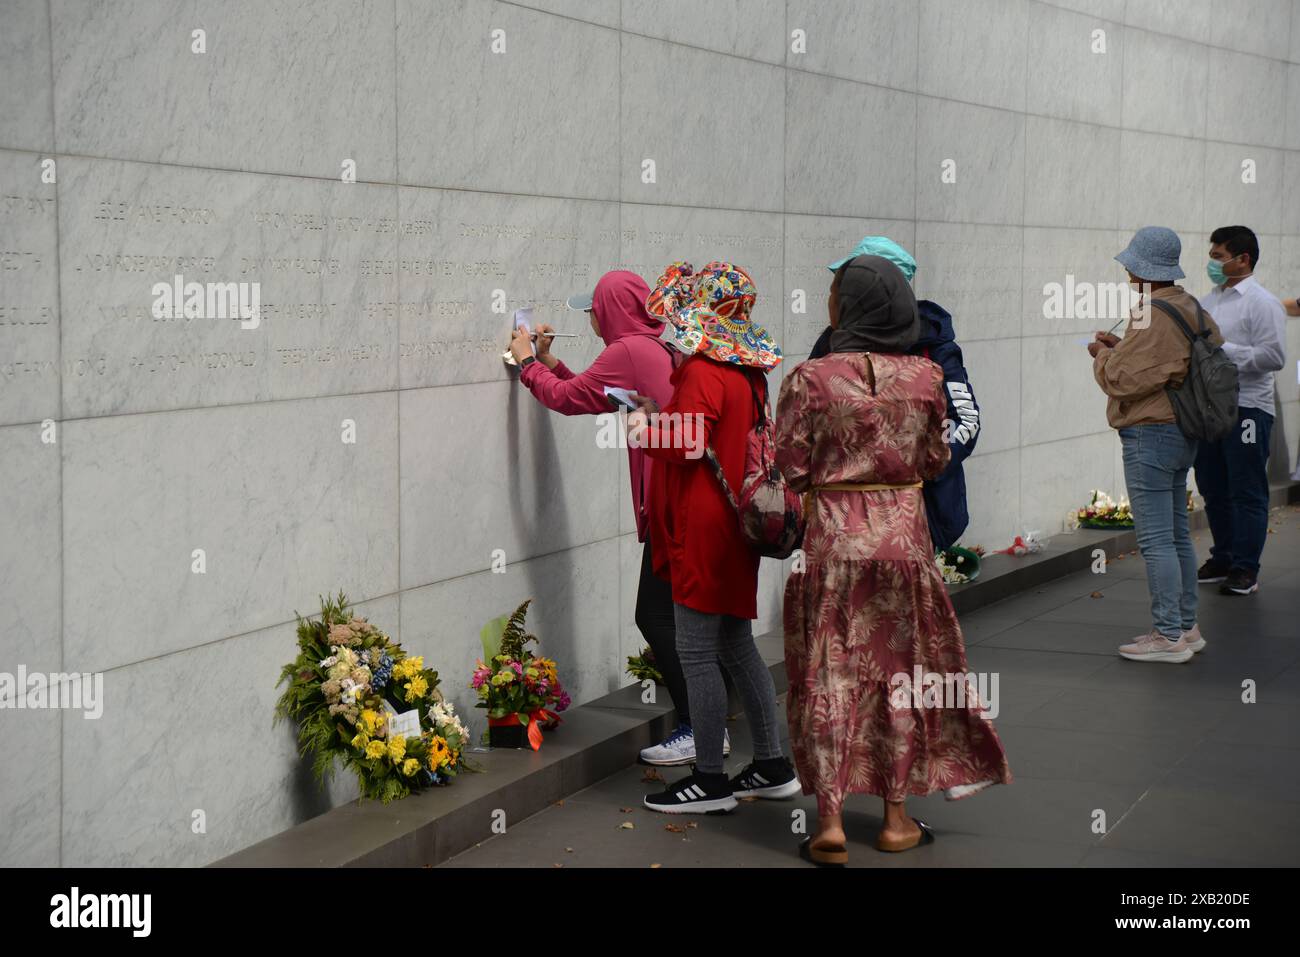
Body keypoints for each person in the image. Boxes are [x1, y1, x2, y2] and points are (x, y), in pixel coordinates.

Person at [775, 254, 1011, 866]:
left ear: (847, 307)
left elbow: (791, 468)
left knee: (827, 676)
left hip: (831, 546)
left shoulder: (810, 379)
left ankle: (828, 823)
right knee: (901, 674)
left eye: (834, 293)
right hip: (904, 544)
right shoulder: (926, 378)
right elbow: (936, 459)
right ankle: (896, 819)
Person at [509, 270, 723, 766]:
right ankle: (706, 728)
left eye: (593, 310)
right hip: (686, 505)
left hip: (674, 509)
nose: (590, 318)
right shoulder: (656, 347)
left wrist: (525, 364)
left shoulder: (625, 350)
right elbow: (598, 395)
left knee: (654, 615)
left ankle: (698, 730)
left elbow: (568, 400)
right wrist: (548, 362)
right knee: (681, 620)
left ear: (613, 309)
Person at [627, 261, 800, 814]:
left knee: (697, 653)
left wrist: (641, 427)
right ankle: (771, 764)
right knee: (736, 644)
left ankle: (709, 779)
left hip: (703, 527)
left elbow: (687, 443)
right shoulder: (750, 371)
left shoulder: (704, 367)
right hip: (736, 527)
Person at [1089, 227, 1223, 663]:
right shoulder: (1188, 304)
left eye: (1131, 264)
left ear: (1143, 269)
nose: (1127, 271)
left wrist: (1103, 354)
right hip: (1183, 431)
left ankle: (1167, 637)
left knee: (1155, 540)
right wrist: (1122, 347)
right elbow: (1170, 362)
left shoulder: (1153, 312)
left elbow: (1121, 380)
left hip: (1151, 432)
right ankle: (1186, 627)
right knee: (1178, 535)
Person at [808, 237, 979, 551]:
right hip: (842, 526)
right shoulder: (828, 348)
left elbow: (966, 423)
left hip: (919, 518)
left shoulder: (934, 352)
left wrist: (914, 466)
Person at [1192, 226, 1286, 596]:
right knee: (1213, 487)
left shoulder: (1263, 303)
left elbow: (1274, 357)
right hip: (1210, 410)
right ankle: (1224, 556)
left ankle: (1246, 568)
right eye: (1213, 255)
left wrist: (1223, 349)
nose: (1213, 263)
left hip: (1248, 410)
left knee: (1246, 490)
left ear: (1243, 259)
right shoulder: (1206, 302)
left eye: (1219, 256)